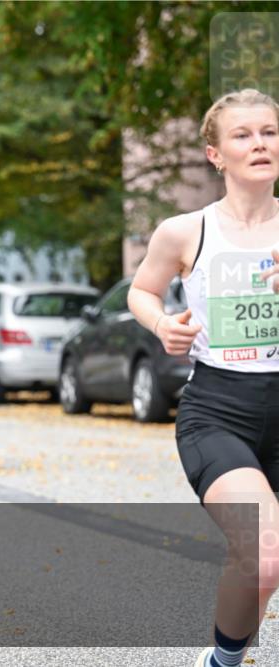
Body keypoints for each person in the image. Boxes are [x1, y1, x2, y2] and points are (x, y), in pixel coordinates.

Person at [126, 88, 279, 667]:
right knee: (264, 552)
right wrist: (163, 323)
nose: (259, 143)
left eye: (268, 131)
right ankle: (222, 661)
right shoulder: (184, 230)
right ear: (215, 155)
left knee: (263, 560)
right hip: (220, 409)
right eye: (242, 134)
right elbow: (142, 290)